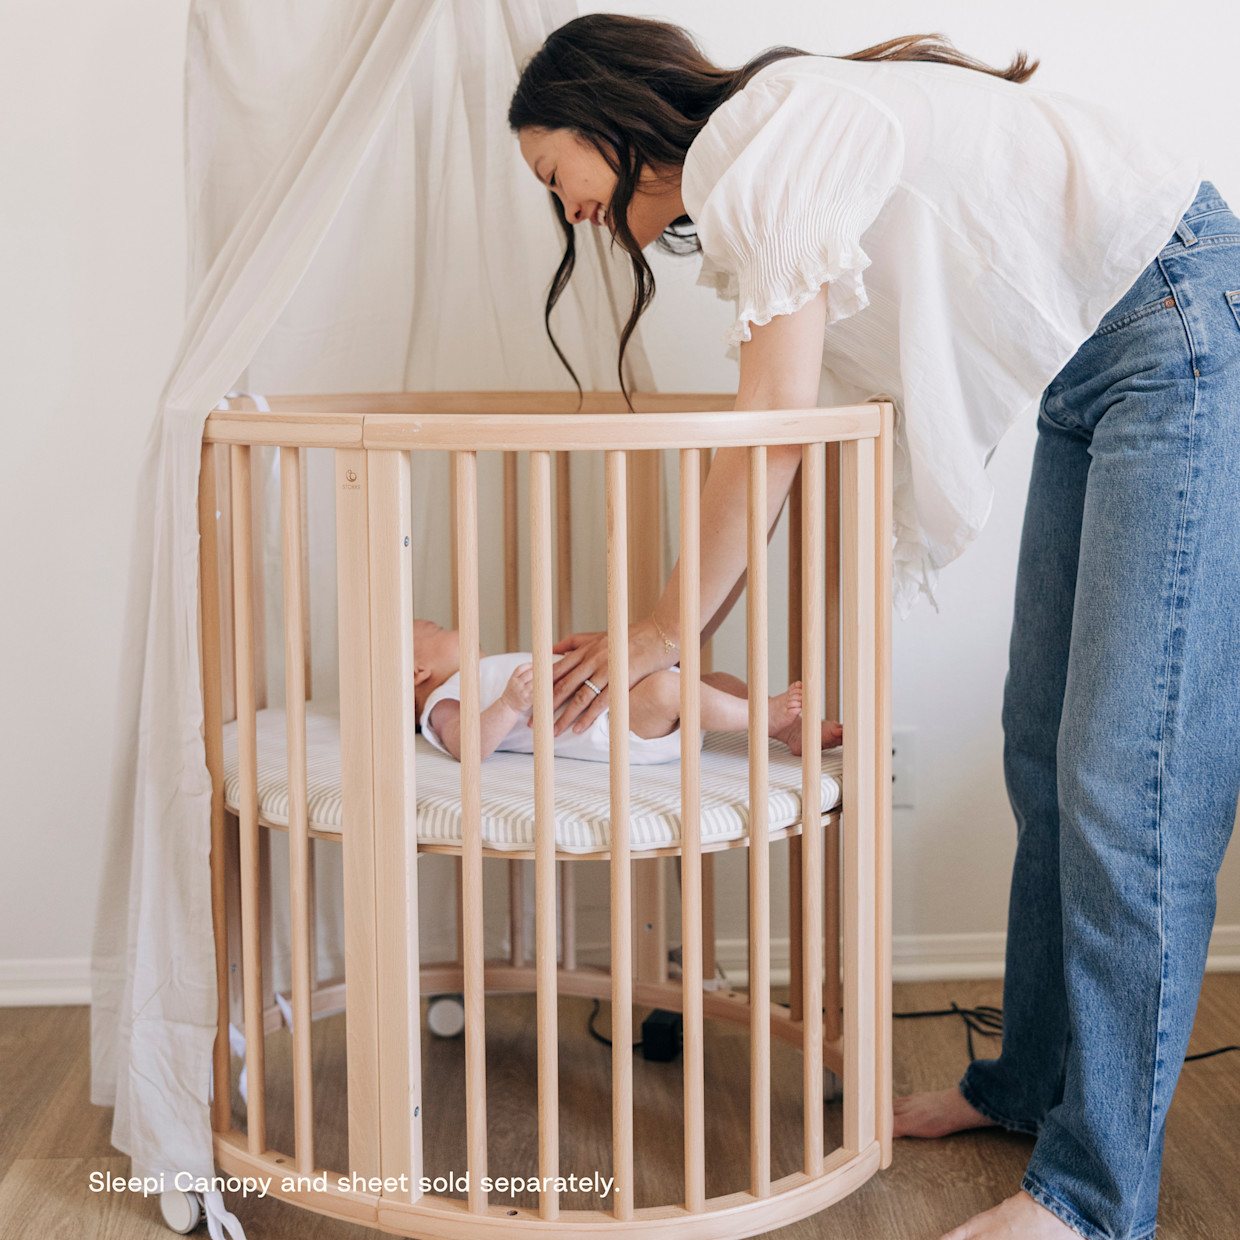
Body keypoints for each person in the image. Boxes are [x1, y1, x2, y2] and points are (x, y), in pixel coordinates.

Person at [508, 16, 1240, 1240]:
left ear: (609, 119)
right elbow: (784, 452)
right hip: (1106, 355)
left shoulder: (764, 140)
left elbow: (771, 434)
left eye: (554, 176)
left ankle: (1094, 1198)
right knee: (1038, 749)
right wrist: (686, 637)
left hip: (1179, 323)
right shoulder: (771, 170)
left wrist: (655, 631)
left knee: (1128, 781)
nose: (567, 211)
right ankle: (1024, 1086)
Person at [412, 618, 841, 763]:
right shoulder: (442, 700)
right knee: (668, 690)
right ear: (417, 671)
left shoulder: (477, 671)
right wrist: (509, 704)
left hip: (619, 704)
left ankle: (788, 731)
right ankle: (764, 716)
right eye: (434, 628)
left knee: (717, 683)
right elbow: (467, 746)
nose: (451, 627)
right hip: (610, 731)